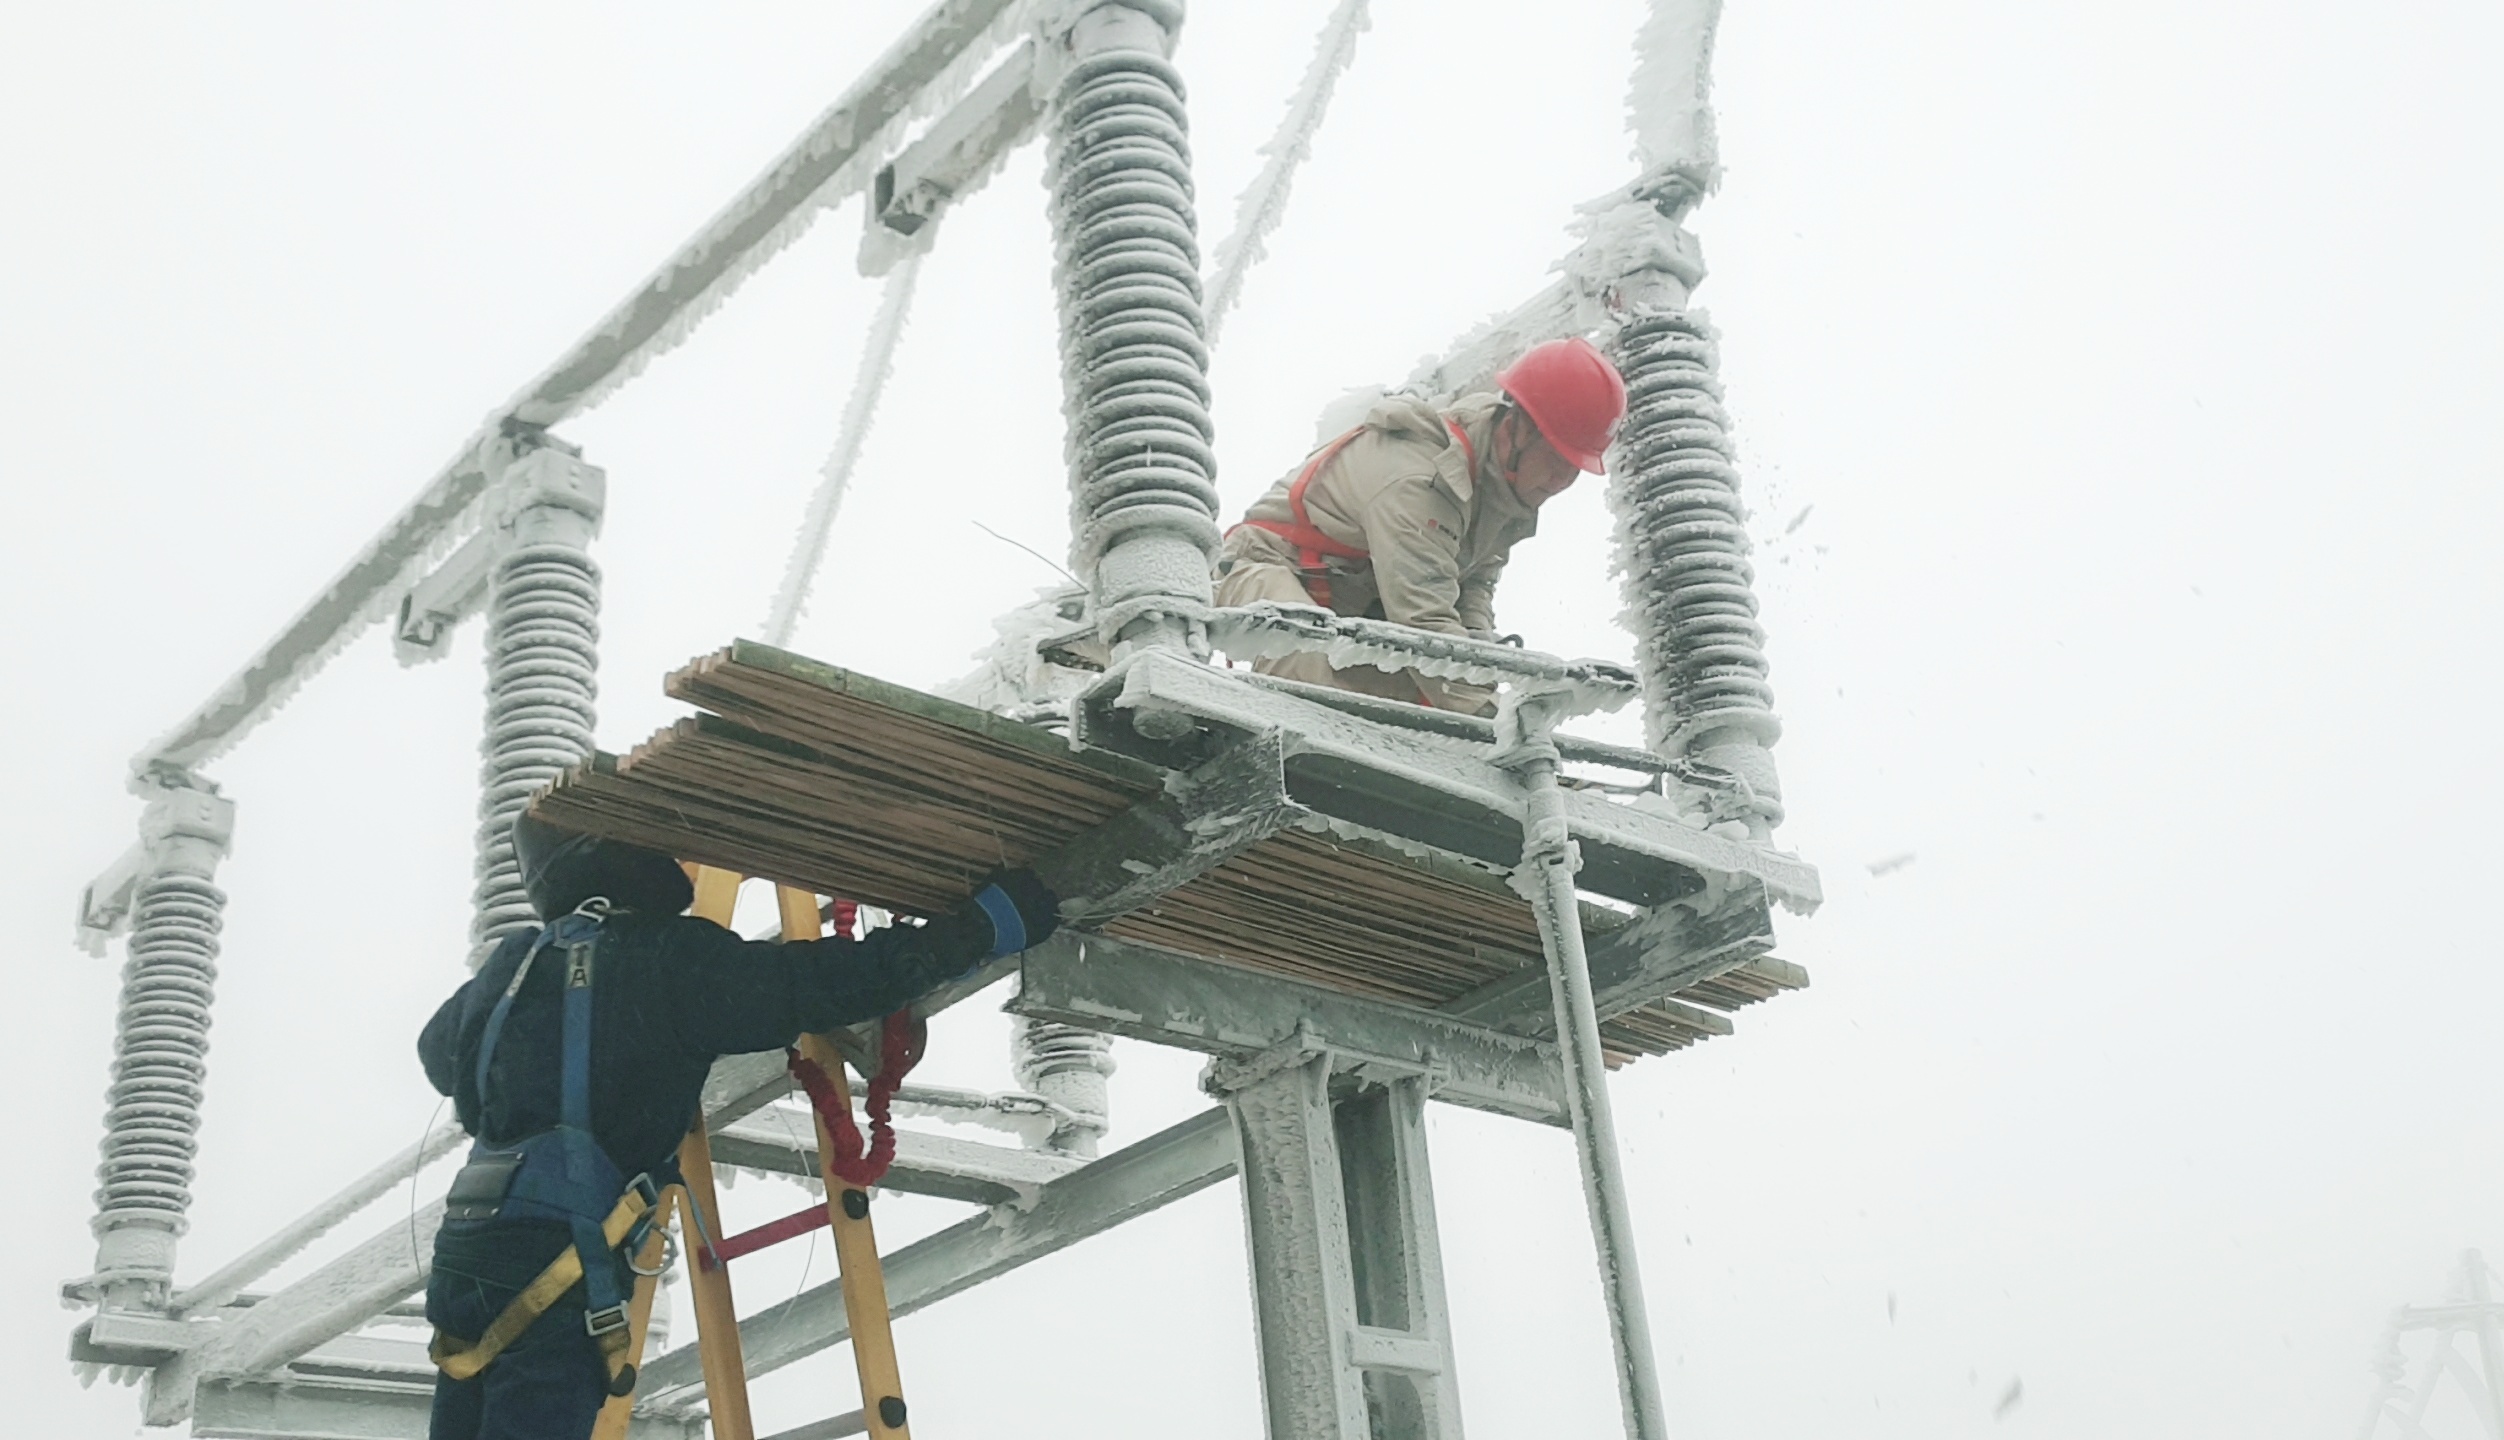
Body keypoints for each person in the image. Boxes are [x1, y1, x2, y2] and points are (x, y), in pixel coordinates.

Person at [417, 811, 1060, 1440]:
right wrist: (976, 930)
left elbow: (438, 1055)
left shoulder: (514, 963)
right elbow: (811, 985)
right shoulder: (663, 955)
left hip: (469, 1250)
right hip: (561, 1261)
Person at [1213, 336, 1629, 715]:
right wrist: (1497, 721)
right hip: (1267, 571)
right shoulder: (1422, 479)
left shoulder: (1502, 492)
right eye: (1555, 459)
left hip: (1359, 604)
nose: (1561, 481)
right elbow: (1422, 620)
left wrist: (1480, 650)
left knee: (1425, 719)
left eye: (1574, 467)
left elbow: (1472, 585)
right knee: (1301, 659)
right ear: (1517, 428)